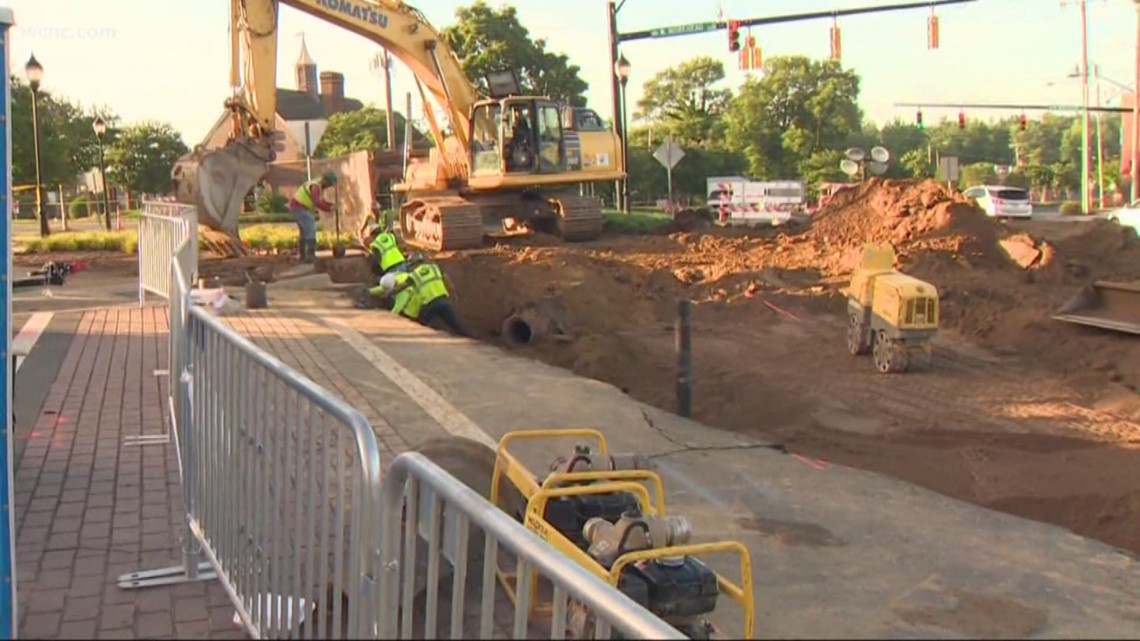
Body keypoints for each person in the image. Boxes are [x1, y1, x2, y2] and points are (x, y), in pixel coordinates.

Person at [389, 260, 471, 337]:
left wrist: (390, 292)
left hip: (430, 305)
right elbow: (447, 279)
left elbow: (402, 286)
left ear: (415, 264)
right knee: (455, 325)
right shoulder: (434, 267)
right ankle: (469, 337)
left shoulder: (415, 274)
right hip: (443, 300)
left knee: (419, 325)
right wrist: (453, 292)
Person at [289, 170, 338, 263]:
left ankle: (303, 256)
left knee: (304, 232)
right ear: (326, 180)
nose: (329, 186)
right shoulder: (315, 187)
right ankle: (310, 256)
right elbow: (317, 202)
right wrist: (328, 209)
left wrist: (330, 205)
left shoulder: (318, 186)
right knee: (310, 229)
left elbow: (321, 201)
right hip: (300, 207)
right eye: (329, 184)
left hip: (298, 207)